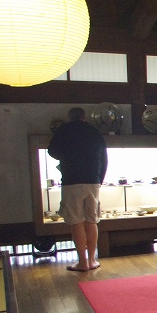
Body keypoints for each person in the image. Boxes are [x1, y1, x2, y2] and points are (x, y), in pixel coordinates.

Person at [47, 107, 108, 272]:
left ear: (69, 117)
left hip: (72, 180)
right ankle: (92, 260)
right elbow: (104, 158)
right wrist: (99, 179)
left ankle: (82, 262)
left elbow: (52, 151)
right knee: (92, 220)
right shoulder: (94, 131)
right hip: (93, 180)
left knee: (76, 222)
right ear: (85, 117)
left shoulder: (64, 130)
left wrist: (67, 156)